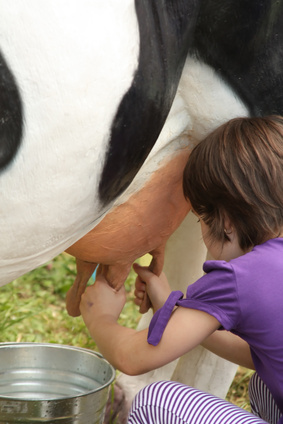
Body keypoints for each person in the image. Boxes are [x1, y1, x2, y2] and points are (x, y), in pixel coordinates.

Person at [80, 115, 283, 424]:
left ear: (225, 221)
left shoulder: (238, 278)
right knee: (266, 379)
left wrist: (100, 317)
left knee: (156, 401)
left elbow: (132, 358)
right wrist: (171, 307)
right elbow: (257, 354)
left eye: (198, 217)